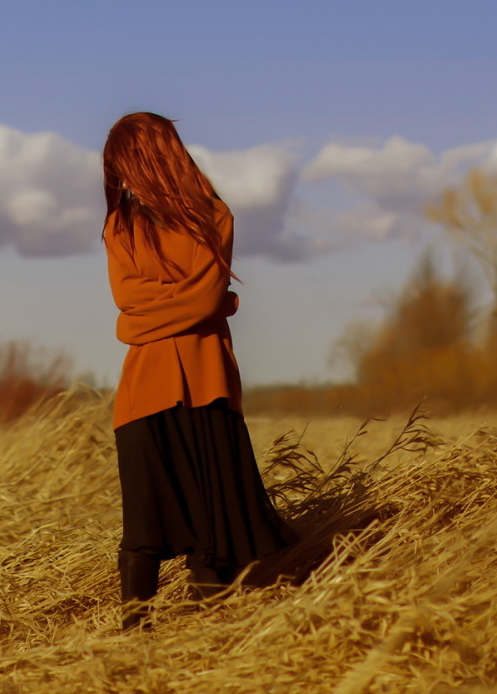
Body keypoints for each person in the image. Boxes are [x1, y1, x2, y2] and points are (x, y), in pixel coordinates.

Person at [101, 112, 297, 630]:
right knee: (142, 529)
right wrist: (203, 302)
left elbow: (183, 302)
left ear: (147, 160)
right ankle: (129, 643)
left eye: (122, 164)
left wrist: (189, 304)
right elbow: (129, 303)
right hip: (145, 392)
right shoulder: (120, 224)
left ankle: (207, 646)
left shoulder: (214, 215)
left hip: (208, 385)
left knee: (216, 532)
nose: (118, 177)